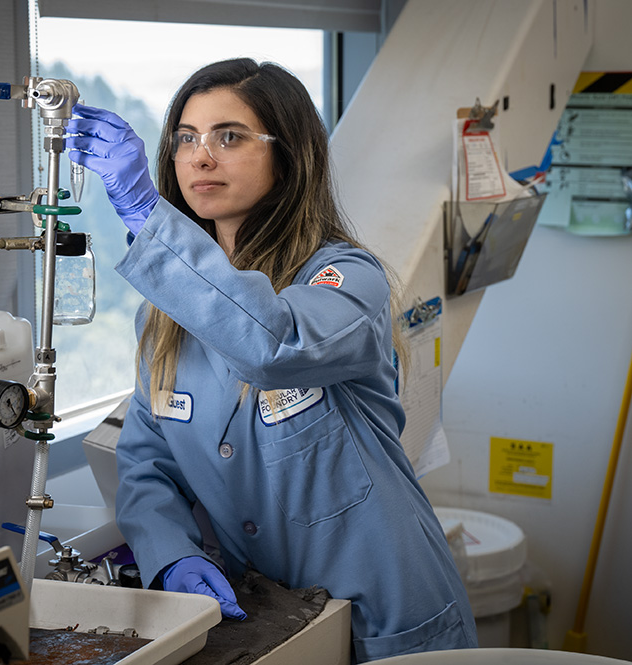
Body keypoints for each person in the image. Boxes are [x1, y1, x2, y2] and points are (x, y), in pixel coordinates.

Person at [67, 58, 478, 662]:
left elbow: (274, 343)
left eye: (228, 137)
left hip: (386, 615)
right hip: (273, 616)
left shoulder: (346, 281)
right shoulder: (162, 317)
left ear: (288, 155)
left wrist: (144, 214)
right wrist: (170, 552)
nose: (199, 157)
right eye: (185, 138)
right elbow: (146, 462)